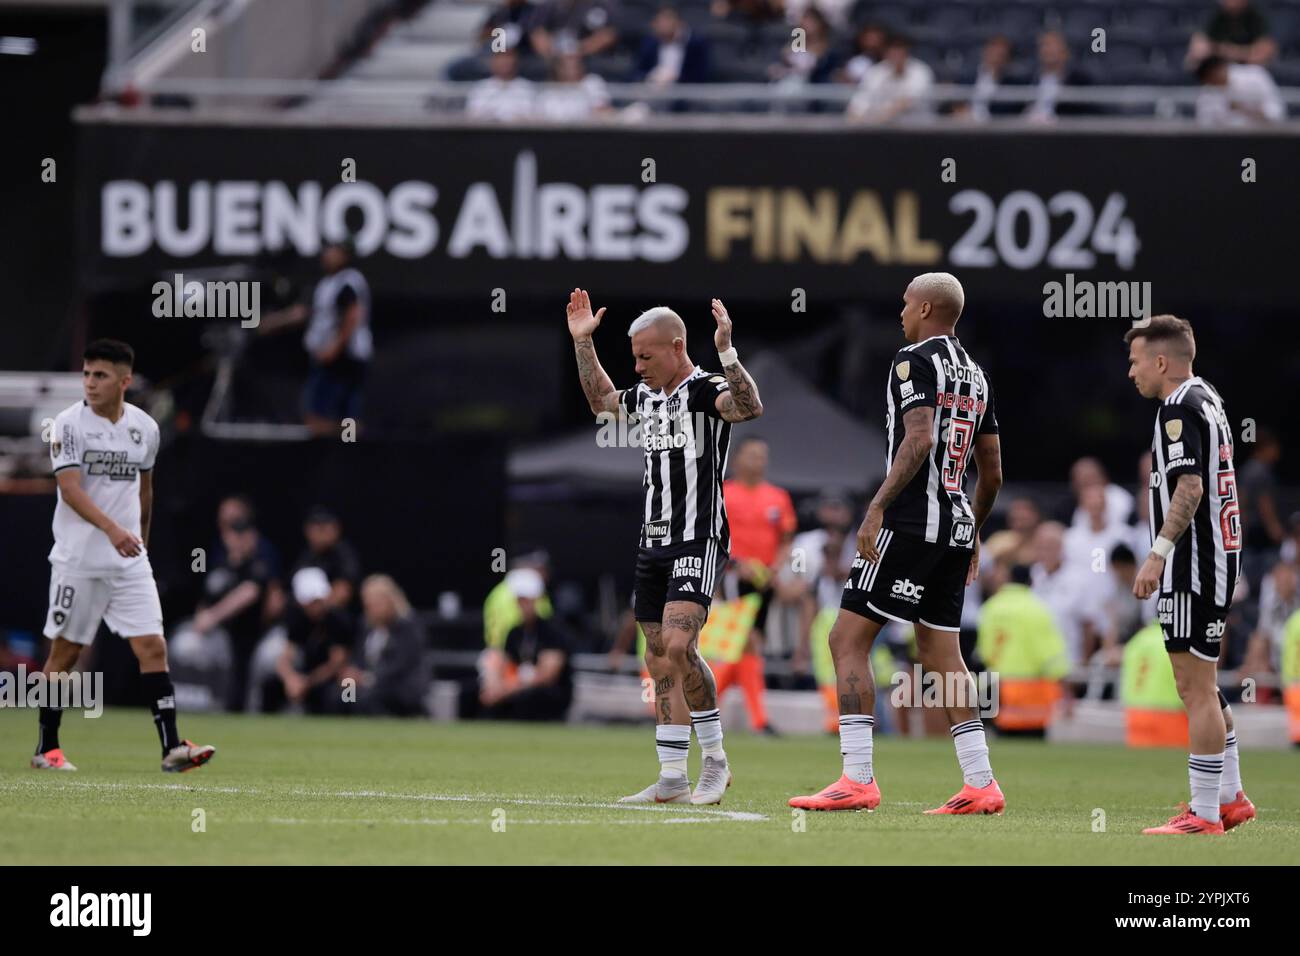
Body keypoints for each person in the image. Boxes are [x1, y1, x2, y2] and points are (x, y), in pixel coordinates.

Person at [789, 272, 1006, 814]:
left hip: (909, 523)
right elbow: (994, 472)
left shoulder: (913, 360)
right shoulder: (977, 375)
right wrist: (973, 529)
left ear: (927, 308)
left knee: (846, 639)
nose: (901, 314)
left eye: (906, 304)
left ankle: (857, 777)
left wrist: (878, 506)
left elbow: (920, 435)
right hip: (954, 525)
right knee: (941, 653)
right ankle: (981, 782)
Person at [566, 288, 763, 805]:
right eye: (633, 357)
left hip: (699, 536)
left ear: (677, 347)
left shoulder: (705, 390)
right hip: (652, 541)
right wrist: (584, 344)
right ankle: (673, 774)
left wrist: (727, 350)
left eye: (645, 356)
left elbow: (749, 406)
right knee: (658, 658)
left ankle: (716, 761)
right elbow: (602, 403)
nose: (637, 367)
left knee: (680, 646)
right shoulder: (646, 397)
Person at [33, 339, 215, 773]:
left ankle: (172, 747)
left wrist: (141, 543)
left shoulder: (145, 428)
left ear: (124, 381)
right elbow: (70, 490)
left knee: (153, 647)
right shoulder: (67, 424)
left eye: (100, 376)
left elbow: (144, 490)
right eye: (87, 374)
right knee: (65, 655)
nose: (91, 383)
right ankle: (47, 748)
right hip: (79, 560)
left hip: (128, 562)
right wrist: (114, 530)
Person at [1124, 315, 1256, 834]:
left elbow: (1190, 487)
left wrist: (1158, 552)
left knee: (1193, 687)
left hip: (1194, 564)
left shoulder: (1178, 407)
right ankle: (1230, 797)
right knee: (1205, 683)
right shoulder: (1210, 399)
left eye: (1136, 362)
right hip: (1219, 558)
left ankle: (1202, 815)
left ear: (1161, 361)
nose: (1131, 372)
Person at [257, 240, 373, 436]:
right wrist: (273, 322)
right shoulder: (328, 283)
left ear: (344, 254)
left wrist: (335, 347)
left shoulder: (348, 281)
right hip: (335, 356)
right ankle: (347, 445)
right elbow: (303, 312)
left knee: (323, 416)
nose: (326, 255)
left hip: (341, 357)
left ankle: (347, 445)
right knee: (340, 416)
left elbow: (353, 315)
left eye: (332, 251)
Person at [719, 435, 795, 734]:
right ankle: (757, 719)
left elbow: (787, 540)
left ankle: (705, 711)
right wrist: (737, 564)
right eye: (752, 456)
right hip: (729, 578)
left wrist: (775, 569)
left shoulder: (777, 497)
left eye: (762, 456)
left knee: (747, 646)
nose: (758, 462)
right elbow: (711, 536)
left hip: (764, 582)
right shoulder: (723, 493)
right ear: (737, 459)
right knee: (741, 642)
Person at [192, 504, 277, 712]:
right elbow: (207, 598)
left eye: (244, 535)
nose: (239, 540)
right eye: (234, 535)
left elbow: (248, 593)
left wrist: (212, 616)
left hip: (252, 636)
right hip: (222, 638)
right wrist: (201, 617)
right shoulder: (219, 566)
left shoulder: (258, 564)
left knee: (247, 679)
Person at [975, 562, 1069, 736]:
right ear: (1031, 581)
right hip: (1030, 693)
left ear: (1008, 579)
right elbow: (1052, 656)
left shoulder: (990, 608)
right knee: (1033, 751)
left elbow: (984, 651)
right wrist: (1066, 690)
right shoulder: (1037, 609)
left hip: (996, 688)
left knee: (999, 747)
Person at [480, 568, 576, 720]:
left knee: (527, 698)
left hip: (547, 695)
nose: (522, 605)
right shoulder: (515, 632)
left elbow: (546, 676)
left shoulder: (554, 632)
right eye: (519, 600)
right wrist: (495, 685)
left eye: (526, 600)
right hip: (518, 687)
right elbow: (506, 664)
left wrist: (506, 690)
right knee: (473, 695)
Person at [266, 567, 353, 714]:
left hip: (334, 676)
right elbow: (285, 658)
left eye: (319, 600)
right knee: (269, 686)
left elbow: (337, 664)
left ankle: (350, 723)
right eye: (311, 601)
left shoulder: (339, 620)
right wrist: (290, 679)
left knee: (347, 687)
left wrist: (307, 682)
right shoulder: (297, 620)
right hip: (307, 676)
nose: (316, 606)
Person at [346, 574, 430, 717]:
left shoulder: (408, 626)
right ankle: (346, 728)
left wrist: (367, 678)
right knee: (344, 694)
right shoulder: (366, 627)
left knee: (368, 697)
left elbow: (401, 663)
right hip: (369, 683)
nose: (371, 610)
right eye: (368, 605)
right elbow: (358, 657)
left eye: (376, 604)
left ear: (390, 601)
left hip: (399, 685)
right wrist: (352, 672)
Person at [846, 33, 934, 123]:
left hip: (918, 128)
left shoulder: (921, 71)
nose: (896, 53)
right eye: (893, 49)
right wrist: (855, 116)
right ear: (886, 51)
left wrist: (880, 117)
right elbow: (862, 99)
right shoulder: (877, 72)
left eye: (900, 49)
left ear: (906, 51)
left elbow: (909, 100)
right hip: (882, 129)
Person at [1195, 55, 1285, 126]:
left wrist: (1247, 110)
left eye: (1215, 74)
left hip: (1263, 139)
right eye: (1210, 80)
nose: (1214, 81)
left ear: (1221, 67)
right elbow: (1205, 125)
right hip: (1225, 143)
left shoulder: (1255, 75)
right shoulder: (1206, 93)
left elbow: (1277, 113)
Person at [1023, 30, 1093, 121]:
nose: (1048, 49)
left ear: (1066, 52)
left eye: (1054, 45)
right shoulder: (1026, 79)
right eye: (1044, 45)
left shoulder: (1079, 81)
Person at [635, 6, 711, 86]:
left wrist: (675, 78)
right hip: (653, 91)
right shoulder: (650, 44)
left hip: (685, 92)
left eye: (667, 20)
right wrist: (650, 77)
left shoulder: (696, 45)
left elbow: (701, 75)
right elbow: (637, 71)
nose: (663, 25)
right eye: (660, 21)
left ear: (679, 22)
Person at [1187, 0, 1277, 68]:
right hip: (1221, 71)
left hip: (1250, 72)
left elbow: (1262, 53)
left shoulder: (1256, 16)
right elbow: (1197, 51)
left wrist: (1224, 51)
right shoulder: (1216, 16)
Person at [465, 46, 538, 120]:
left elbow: (533, 118)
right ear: (492, 61)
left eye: (508, 56)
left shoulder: (528, 88)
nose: (504, 61)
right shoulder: (480, 88)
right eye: (500, 57)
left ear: (516, 60)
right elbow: (473, 116)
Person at [536, 52, 611, 121]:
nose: (571, 65)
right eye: (566, 62)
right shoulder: (547, 91)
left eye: (575, 61)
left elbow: (603, 111)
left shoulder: (592, 82)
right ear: (557, 67)